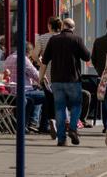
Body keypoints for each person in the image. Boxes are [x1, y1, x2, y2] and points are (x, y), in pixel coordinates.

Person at [39, 18, 91, 147]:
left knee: (60, 108)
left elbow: (44, 61)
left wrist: (41, 77)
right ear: (73, 28)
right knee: (76, 106)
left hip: (56, 80)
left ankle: (61, 139)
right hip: (73, 79)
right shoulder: (77, 39)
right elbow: (87, 57)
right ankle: (73, 128)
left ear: (62, 26)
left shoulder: (53, 39)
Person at [3, 43, 46, 133]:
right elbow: (37, 76)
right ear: (28, 51)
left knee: (34, 96)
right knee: (49, 96)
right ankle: (44, 126)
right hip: (23, 91)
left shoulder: (9, 58)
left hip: (11, 92)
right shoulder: (24, 59)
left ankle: (29, 124)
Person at [34, 17, 63, 139]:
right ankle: (59, 123)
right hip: (62, 73)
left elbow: (35, 55)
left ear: (49, 25)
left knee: (49, 99)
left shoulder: (42, 38)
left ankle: (50, 121)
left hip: (47, 74)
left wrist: (41, 64)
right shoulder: (63, 38)